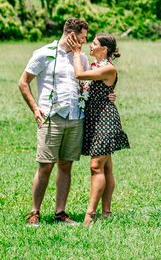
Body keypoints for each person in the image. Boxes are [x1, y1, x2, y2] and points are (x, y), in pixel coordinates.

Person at [18, 18, 115, 227]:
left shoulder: (81, 59)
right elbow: (23, 82)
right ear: (72, 36)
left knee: (65, 166)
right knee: (45, 166)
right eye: (83, 37)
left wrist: (109, 95)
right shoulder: (44, 53)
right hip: (51, 117)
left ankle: (60, 212)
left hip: (75, 118)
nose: (86, 41)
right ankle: (35, 212)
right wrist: (35, 108)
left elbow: (92, 83)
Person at [67, 32, 129, 226]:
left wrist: (76, 53)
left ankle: (90, 214)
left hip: (105, 119)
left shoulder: (108, 68)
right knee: (106, 166)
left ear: (104, 49)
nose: (90, 46)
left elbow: (79, 74)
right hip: (94, 118)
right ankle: (107, 213)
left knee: (96, 166)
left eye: (93, 44)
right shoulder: (97, 66)